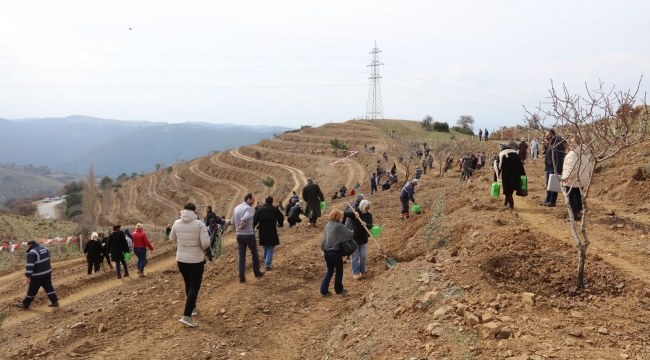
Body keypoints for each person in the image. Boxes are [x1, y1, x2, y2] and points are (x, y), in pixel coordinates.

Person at [170, 202, 210, 327]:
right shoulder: (199, 224)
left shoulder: (177, 223)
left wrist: (183, 243)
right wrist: (197, 248)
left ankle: (192, 308)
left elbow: (172, 238)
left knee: (188, 284)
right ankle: (186, 316)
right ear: (194, 211)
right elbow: (205, 243)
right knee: (194, 287)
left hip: (181, 259)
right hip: (195, 260)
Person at [14, 240, 59, 309]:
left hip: (37, 275)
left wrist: (28, 276)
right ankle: (55, 301)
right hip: (47, 272)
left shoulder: (32, 253)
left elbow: (30, 265)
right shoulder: (45, 248)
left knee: (32, 290)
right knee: (49, 287)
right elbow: (48, 258)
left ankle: (25, 304)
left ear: (29, 245)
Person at [231, 193, 265, 282]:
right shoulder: (248, 208)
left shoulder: (236, 208)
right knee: (254, 253)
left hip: (239, 236)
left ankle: (241, 277)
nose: (253, 202)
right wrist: (242, 225)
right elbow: (246, 217)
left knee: (241, 256)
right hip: (249, 235)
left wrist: (237, 230)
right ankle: (257, 272)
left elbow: (232, 222)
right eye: (253, 200)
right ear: (248, 199)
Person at [320, 209, 353, 296]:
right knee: (339, 270)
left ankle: (323, 291)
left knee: (330, 271)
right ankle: (339, 289)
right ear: (338, 217)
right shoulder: (339, 225)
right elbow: (349, 235)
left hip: (326, 252)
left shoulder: (327, 225)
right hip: (335, 252)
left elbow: (324, 239)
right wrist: (352, 232)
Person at [561, 137, 594, 221]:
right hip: (582, 178)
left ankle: (574, 214)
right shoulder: (586, 152)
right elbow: (590, 166)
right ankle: (579, 212)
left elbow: (572, 168)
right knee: (578, 195)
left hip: (574, 179)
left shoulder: (573, 153)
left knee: (571, 195)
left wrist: (566, 177)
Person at [253, 196, 284, 270]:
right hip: (272, 231)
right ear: (272, 202)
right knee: (270, 248)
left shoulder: (260, 210)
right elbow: (281, 218)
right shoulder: (275, 209)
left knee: (265, 248)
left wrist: (252, 228)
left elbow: (255, 220)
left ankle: (266, 262)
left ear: (265, 202)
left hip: (262, 231)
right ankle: (267, 264)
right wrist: (280, 224)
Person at [346, 200, 373, 279]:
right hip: (354, 238)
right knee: (354, 256)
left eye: (368, 208)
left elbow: (370, 225)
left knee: (363, 256)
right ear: (362, 207)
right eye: (365, 208)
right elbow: (345, 213)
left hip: (363, 238)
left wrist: (366, 224)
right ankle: (356, 272)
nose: (367, 210)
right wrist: (353, 213)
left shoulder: (369, 215)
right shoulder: (355, 213)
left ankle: (362, 271)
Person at [494, 143, 526, 209]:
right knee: (511, 189)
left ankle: (511, 204)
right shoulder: (515, 154)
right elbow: (520, 165)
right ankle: (506, 200)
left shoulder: (502, 155)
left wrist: (495, 178)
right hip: (516, 175)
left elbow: (498, 168)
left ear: (501, 149)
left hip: (507, 176)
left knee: (506, 190)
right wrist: (523, 175)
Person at [541, 130, 566, 207]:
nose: (547, 138)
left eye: (548, 136)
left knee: (552, 184)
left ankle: (552, 200)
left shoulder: (557, 144)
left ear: (552, 135)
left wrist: (557, 171)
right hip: (548, 167)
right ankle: (548, 199)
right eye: (546, 137)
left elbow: (559, 158)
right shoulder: (552, 143)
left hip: (553, 167)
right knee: (548, 184)